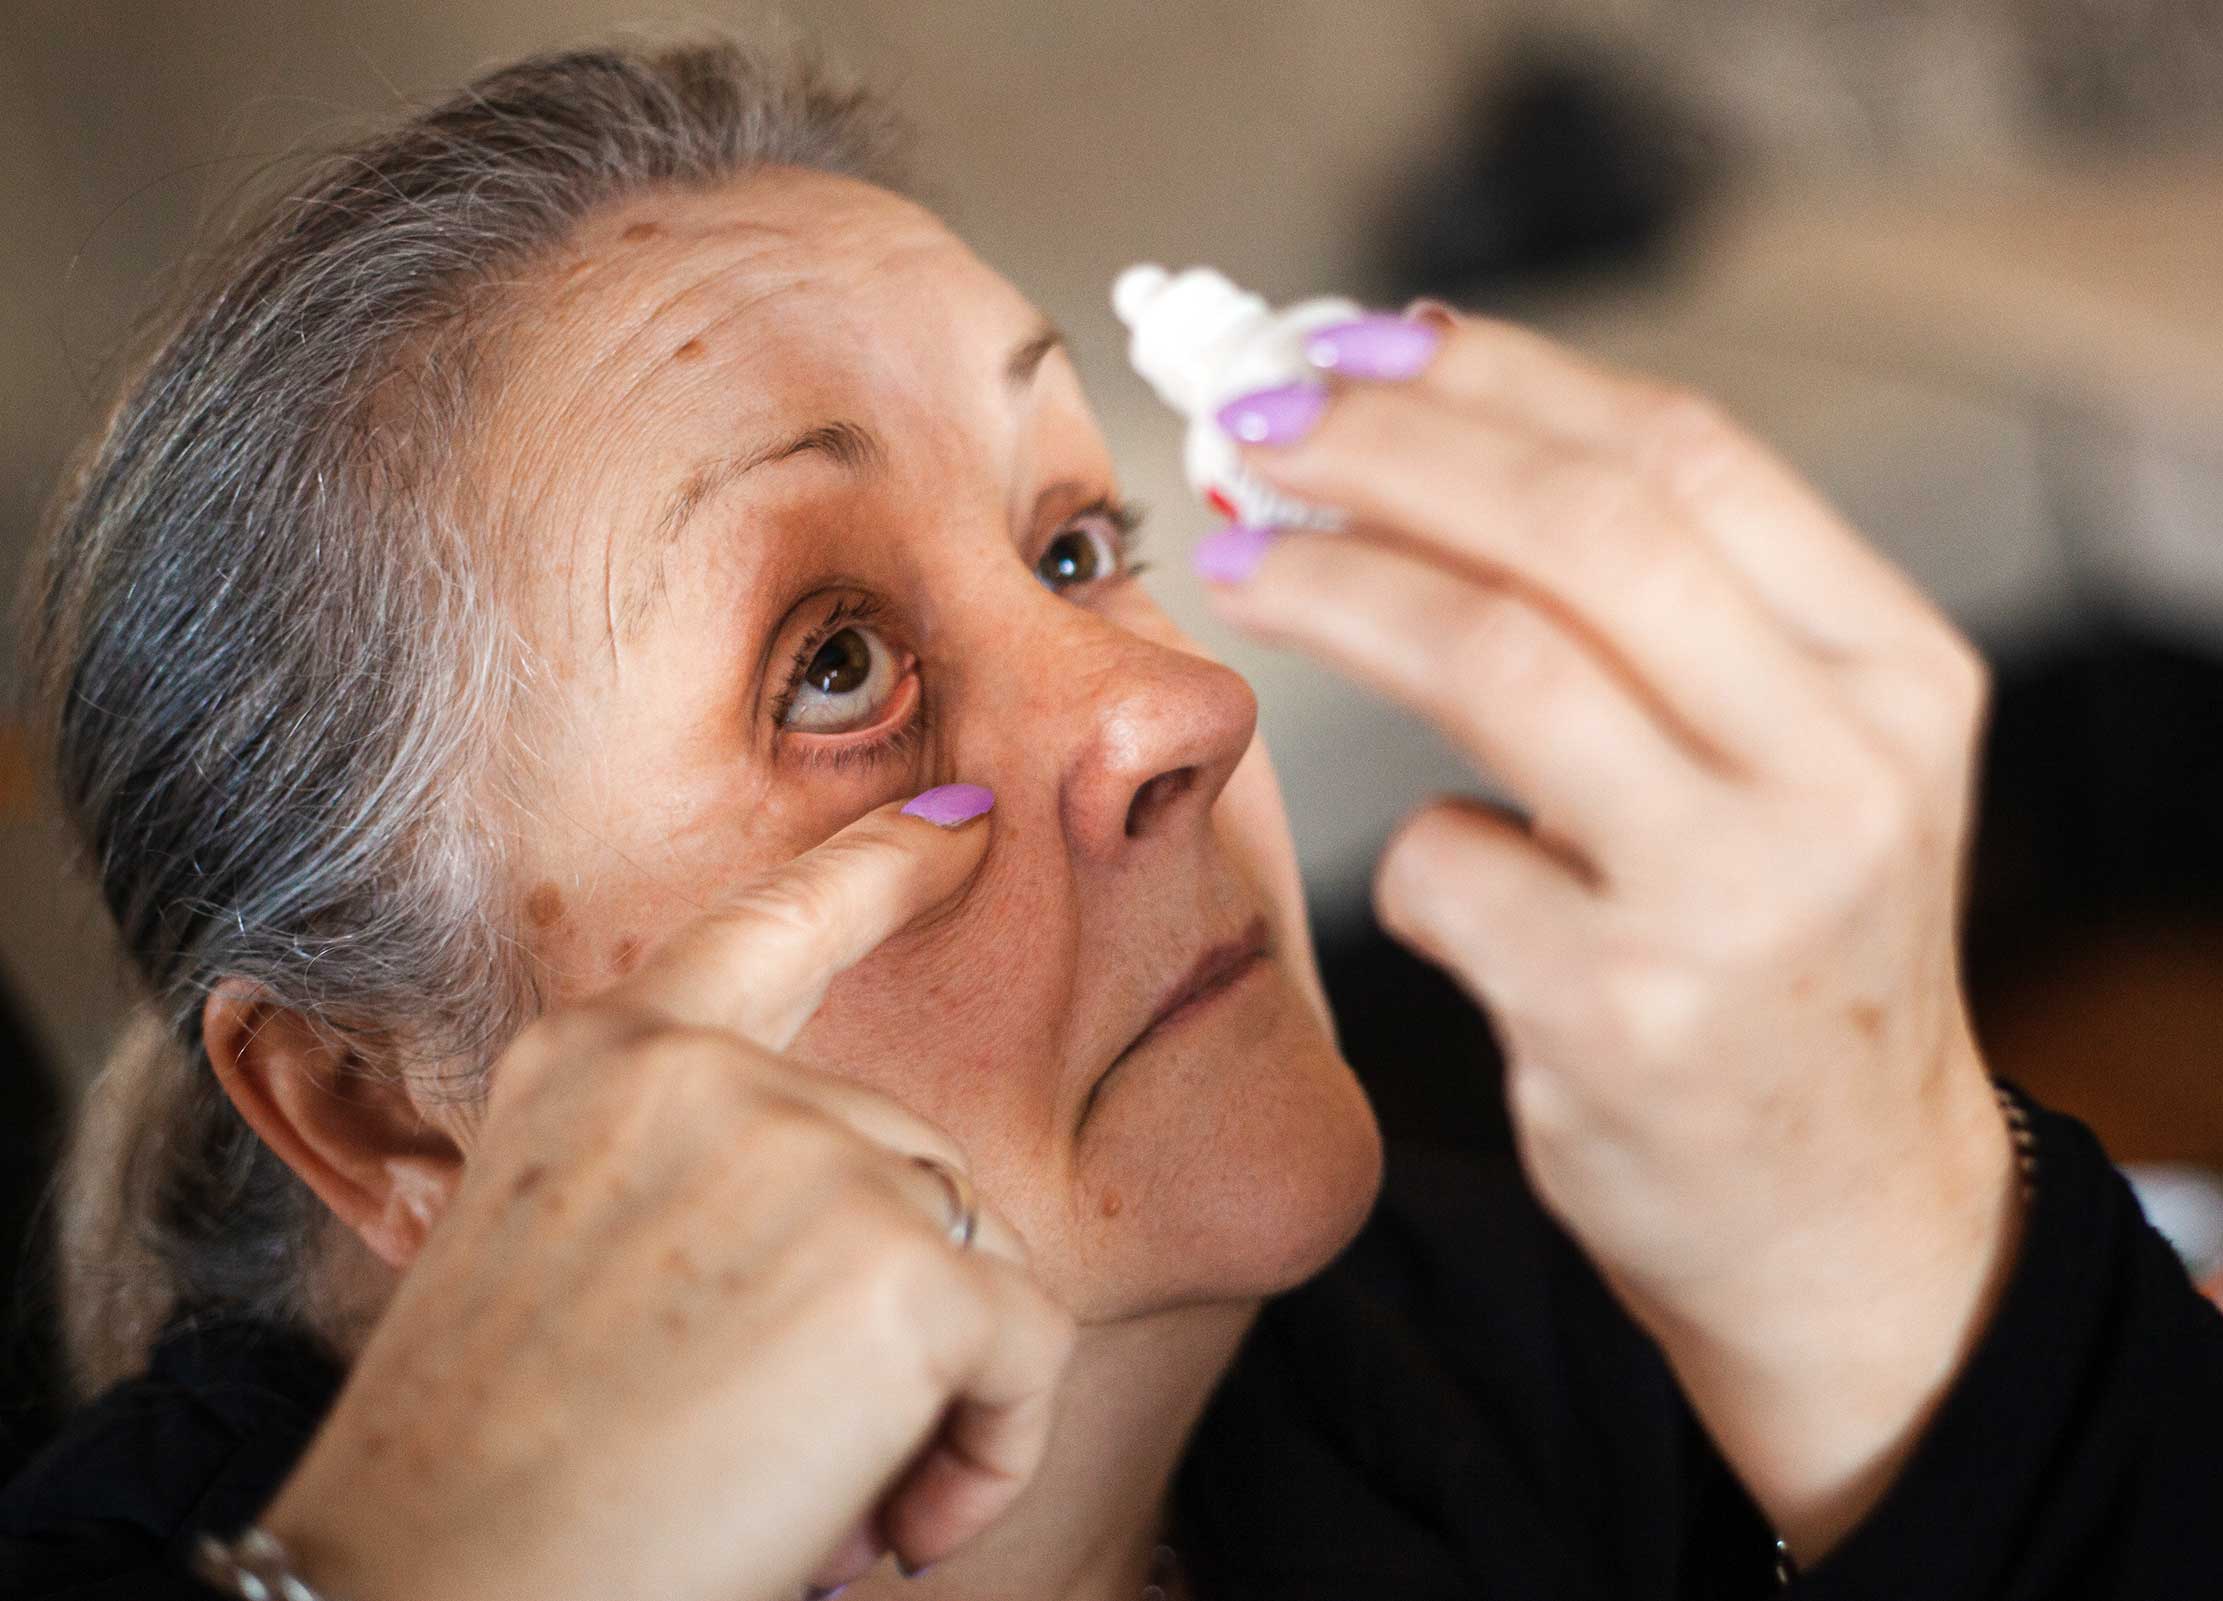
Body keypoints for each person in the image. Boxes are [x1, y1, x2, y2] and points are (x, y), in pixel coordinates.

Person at [4, 37, 2219, 1601]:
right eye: (835, 667)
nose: (1181, 706)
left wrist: (1918, 1279)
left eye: (1074, 545)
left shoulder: (1519, 1354)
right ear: (381, 1112)